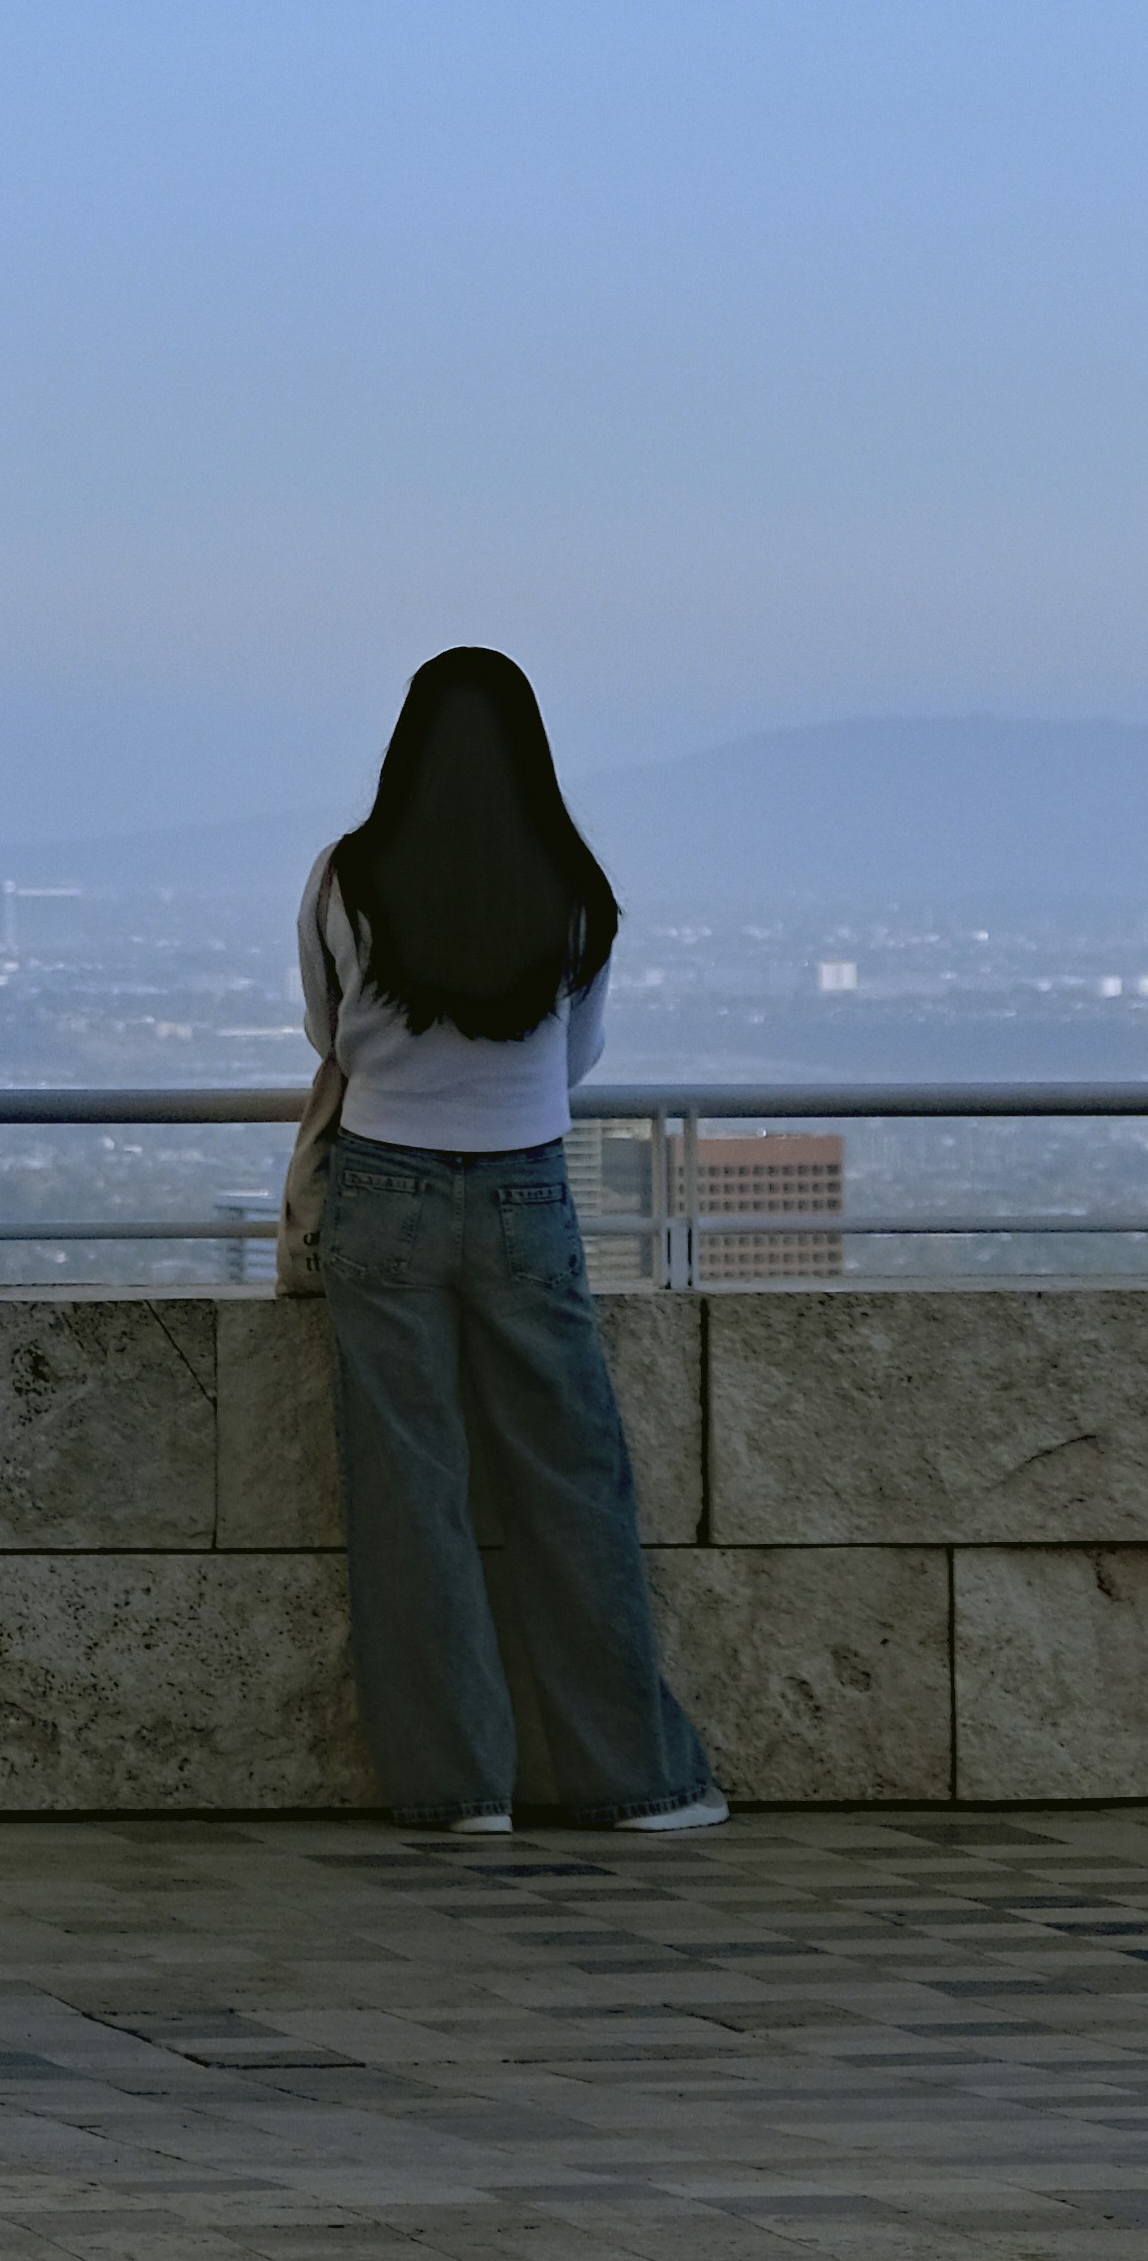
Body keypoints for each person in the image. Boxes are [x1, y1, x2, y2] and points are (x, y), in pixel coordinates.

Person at [301, 646, 722, 1838]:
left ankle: (454, 1788)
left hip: (378, 1186)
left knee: (409, 1494)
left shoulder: (349, 873)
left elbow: (326, 1030)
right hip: (529, 1191)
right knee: (570, 1481)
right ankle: (630, 1778)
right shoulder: (574, 883)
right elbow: (575, 1060)